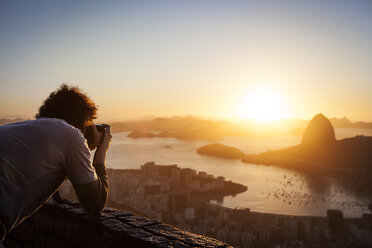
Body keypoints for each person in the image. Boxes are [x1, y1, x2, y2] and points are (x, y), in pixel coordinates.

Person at [0, 84, 111, 243]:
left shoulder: (27, 128)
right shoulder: (71, 135)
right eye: (92, 122)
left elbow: (45, 173)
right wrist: (102, 151)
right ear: (85, 119)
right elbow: (96, 202)